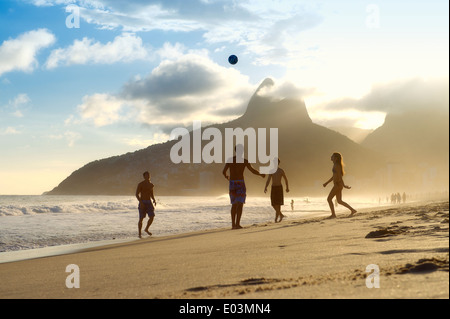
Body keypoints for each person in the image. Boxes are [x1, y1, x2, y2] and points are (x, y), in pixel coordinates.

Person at [222, 145, 265, 229]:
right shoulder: (244, 161)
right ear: (242, 151)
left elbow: (223, 172)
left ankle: (233, 225)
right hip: (240, 183)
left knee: (234, 204)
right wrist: (260, 174)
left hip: (232, 183)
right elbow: (252, 170)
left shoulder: (230, 160)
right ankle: (237, 224)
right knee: (240, 204)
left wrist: (227, 177)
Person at [323, 152, 356, 218]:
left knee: (329, 199)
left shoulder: (337, 165)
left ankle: (333, 215)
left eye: (332, 156)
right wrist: (327, 183)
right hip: (338, 184)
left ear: (336, 158)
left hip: (337, 185)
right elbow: (334, 176)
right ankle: (352, 210)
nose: (331, 157)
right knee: (339, 201)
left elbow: (339, 176)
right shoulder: (335, 165)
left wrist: (343, 185)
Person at [264, 158, 290, 222]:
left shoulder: (281, 171)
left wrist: (287, 187)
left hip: (279, 187)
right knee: (273, 204)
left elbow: (285, 179)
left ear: (278, 163)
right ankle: (281, 215)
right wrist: (266, 187)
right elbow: (268, 179)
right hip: (273, 188)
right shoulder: (271, 171)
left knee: (278, 204)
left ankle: (276, 219)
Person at [135, 171, 156, 238]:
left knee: (152, 217)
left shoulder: (151, 184)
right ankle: (139, 234)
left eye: (149, 175)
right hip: (143, 202)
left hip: (149, 202)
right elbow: (136, 194)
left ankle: (146, 229)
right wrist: (141, 202)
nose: (148, 176)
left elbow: (151, 193)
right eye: (146, 175)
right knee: (141, 218)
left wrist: (154, 199)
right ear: (144, 176)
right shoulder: (140, 184)